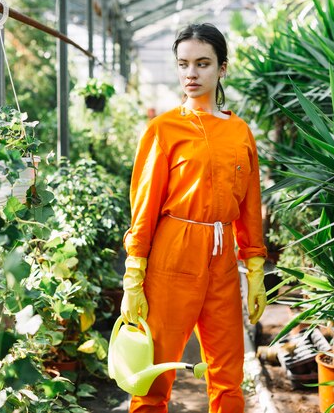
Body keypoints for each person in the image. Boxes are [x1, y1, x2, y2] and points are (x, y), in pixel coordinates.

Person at [120, 23, 267, 413]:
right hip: (172, 254)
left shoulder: (239, 132)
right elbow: (145, 203)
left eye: (203, 64)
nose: (191, 73)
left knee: (229, 373)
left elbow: (251, 203)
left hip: (221, 258)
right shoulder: (163, 130)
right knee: (151, 374)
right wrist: (134, 272)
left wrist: (254, 269)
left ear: (222, 69)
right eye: (183, 64)